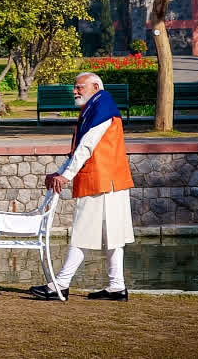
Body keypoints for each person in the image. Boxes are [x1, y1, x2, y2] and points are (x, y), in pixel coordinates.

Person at [31, 72, 135, 302]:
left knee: (82, 232)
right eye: (75, 88)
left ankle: (60, 285)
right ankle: (117, 287)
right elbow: (81, 149)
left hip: (100, 181)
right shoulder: (99, 106)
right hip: (111, 180)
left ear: (95, 86)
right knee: (113, 236)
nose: (75, 91)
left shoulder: (101, 109)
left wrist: (65, 176)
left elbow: (86, 147)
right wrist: (61, 172)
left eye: (80, 87)